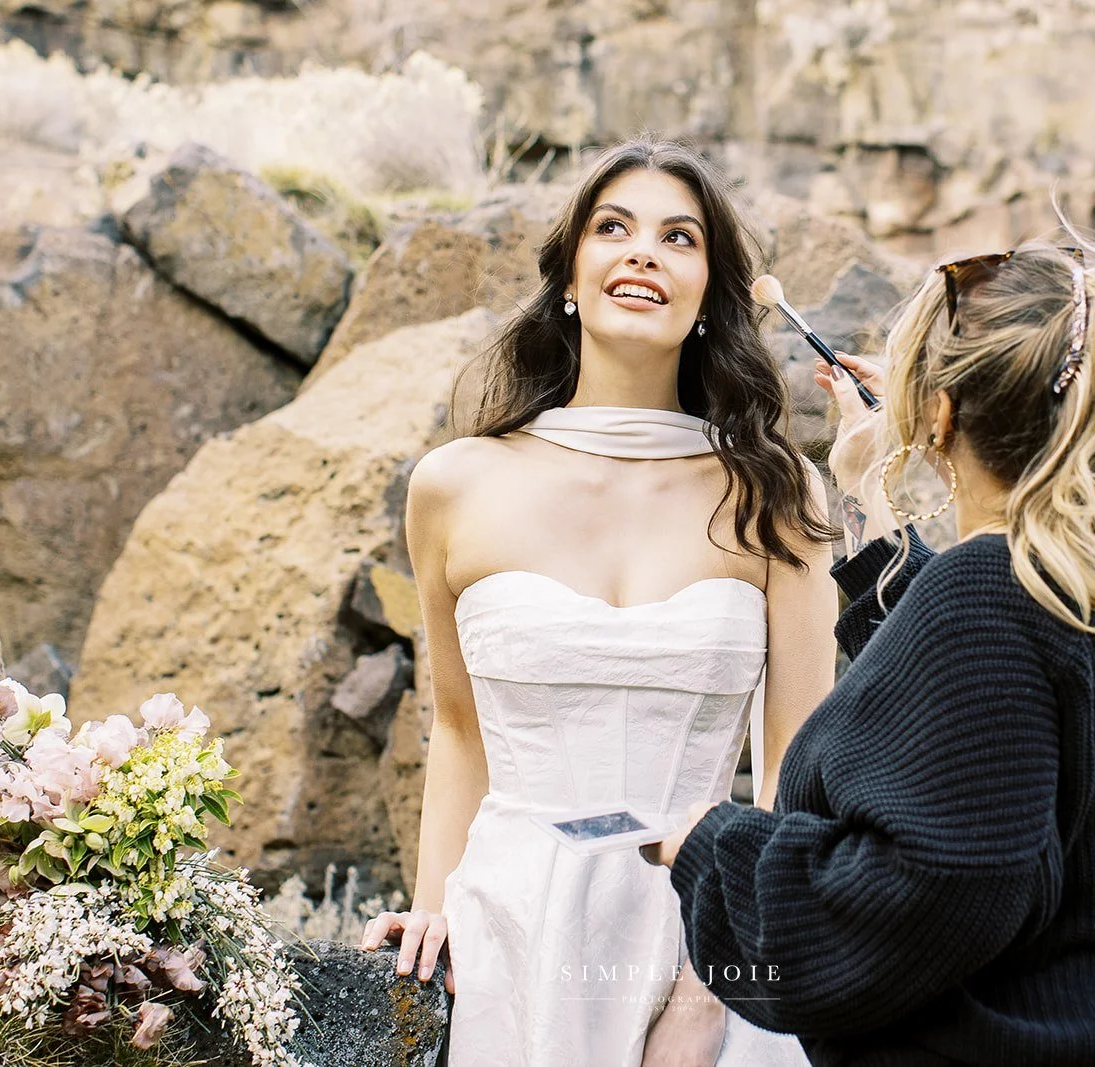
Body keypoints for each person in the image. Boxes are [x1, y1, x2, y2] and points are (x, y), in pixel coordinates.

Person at [651, 235, 1095, 1065]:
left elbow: (920, 900)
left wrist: (715, 849)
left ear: (935, 414)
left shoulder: (987, 599)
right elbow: (974, 710)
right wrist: (870, 490)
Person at [359, 139, 836, 1066]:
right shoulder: (455, 484)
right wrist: (433, 907)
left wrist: (712, 992)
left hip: (708, 940)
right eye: (612, 227)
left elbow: (794, 770)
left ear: (708, 295)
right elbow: (458, 732)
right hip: (507, 938)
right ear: (571, 277)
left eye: (678, 237)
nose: (642, 252)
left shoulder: (780, 496)